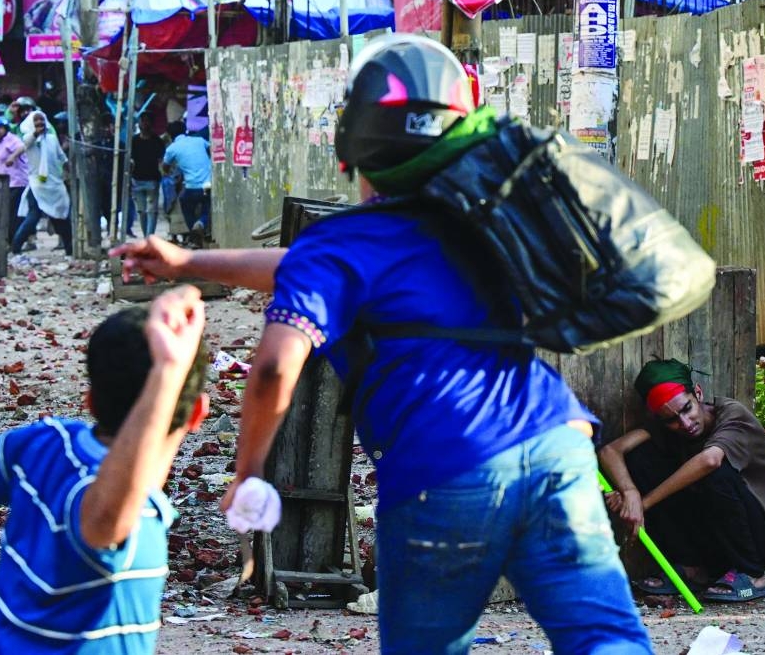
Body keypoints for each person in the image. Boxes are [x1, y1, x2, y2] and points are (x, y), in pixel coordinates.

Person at [114, 34, 653, 654]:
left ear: (356, 148)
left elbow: (271, 369)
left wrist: (249, 473)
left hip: (443, 470)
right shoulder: (481, 224)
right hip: (557, 445)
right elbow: (297, 263)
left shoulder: (347, 244)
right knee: (605, 639)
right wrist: (187, 261)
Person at [0, 286, 209, 653]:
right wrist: (168, 370)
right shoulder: (133, 515)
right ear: (199, 412)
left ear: (90, 401)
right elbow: (105, 518)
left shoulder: (45, 442)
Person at [598, 358, 765, 602]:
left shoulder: (732, 415)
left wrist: (642, 504)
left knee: (714, 472)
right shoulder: (666, 427)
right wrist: (629, 492)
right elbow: (610, 451)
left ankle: (752, 576)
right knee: (639, 457)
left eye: (687, 408)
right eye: (671, 419)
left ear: (698, 393)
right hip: (711, 534)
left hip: (755, 538)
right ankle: (692, 569)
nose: (684, 423)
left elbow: (709, 461)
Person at [7, 110, 72, 255]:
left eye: (41, 120)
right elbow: (25, 144)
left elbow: (61, 157)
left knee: (61, 218)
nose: (39, 123)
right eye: (35, 121)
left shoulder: (51, 138)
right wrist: (13, 156)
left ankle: (70, 249)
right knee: (32, 218)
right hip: (37, 186)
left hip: (54, 185)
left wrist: (69, 170)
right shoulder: (29, 138)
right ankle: (15, 247)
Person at [162, 119, 211, 247]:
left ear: (170, 135)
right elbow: (210, 148)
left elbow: (165, 167)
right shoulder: (199, 140)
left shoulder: (172, 149)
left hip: (191, 187)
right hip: (208, 184)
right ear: (185, 131)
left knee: (185, 202)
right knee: (208, 206)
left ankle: (194, 233)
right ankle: (201, 223)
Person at [0, 115, 28, 245]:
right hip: (3, 183)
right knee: (5, 212)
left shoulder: (12, 139)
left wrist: (13, 156)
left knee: (13, 214)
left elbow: (23, 147)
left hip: (17, 182)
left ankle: (15, 241)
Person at [131, 113, 165, 238]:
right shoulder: (134, 141)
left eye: (146, 121)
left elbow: (161, 161)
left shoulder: (157, 141)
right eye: (142, 121)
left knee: (151, 211)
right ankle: (148, 237)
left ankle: (149, 237)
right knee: (142, 211)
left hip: (152, 179)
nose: (144, 124)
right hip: (137, 180)